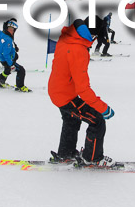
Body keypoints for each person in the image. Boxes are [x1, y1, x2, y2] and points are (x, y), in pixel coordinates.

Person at [48, 17, 115, 167]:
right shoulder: (79, 50)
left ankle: (66, 153)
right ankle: (92, 158)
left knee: (71, 118)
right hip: (65, 95)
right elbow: (83, 89)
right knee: (97, 120)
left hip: (57, 90)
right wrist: (103, 108)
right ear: (93, 36)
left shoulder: (68, 38)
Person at [0, 19, 31, 92]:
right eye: (10, 29)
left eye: (13, 30)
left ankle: (0, 82)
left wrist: (15, 46)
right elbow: (6, 54)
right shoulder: (7, 39)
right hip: (7, 59)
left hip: (3, 59)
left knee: (7, 70)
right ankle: (20, 86)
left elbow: (10, 43)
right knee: (21, 70)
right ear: (6, 29)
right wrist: (11, 64)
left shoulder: (4, 35)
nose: (12, 31)